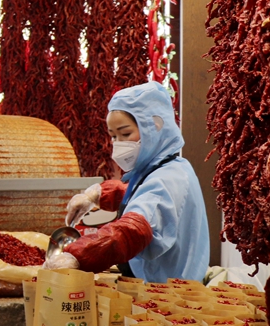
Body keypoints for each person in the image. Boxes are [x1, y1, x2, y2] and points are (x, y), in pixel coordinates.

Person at [48, 82, 209, 282]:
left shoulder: (168, 178)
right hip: (163, 283)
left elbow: (132, 230)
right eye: (113, 136)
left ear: (155, 127)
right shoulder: (171, 167)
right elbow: (141, 195)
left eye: (125, 134)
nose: (118, 144)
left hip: (165, 290)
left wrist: (78, 256)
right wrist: (97, 195)